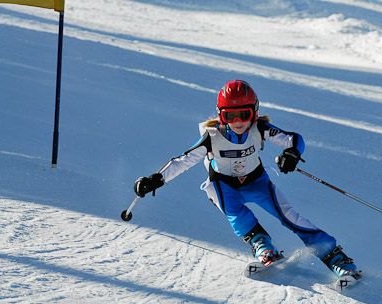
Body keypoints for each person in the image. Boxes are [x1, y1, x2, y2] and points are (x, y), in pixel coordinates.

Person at [133, 79, 361, 280]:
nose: (238, 121)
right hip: (224, 185)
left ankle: (337, 258)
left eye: (244, 114)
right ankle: (261, 243)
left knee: (289, 216)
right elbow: (183, 161)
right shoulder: (212, 137)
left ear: (254, 111)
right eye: (230, 116)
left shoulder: (259, 128)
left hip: (257, 182)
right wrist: (156, 179)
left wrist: (292, 153)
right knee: (233, 211)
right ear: (221, 115)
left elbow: (294, 139)